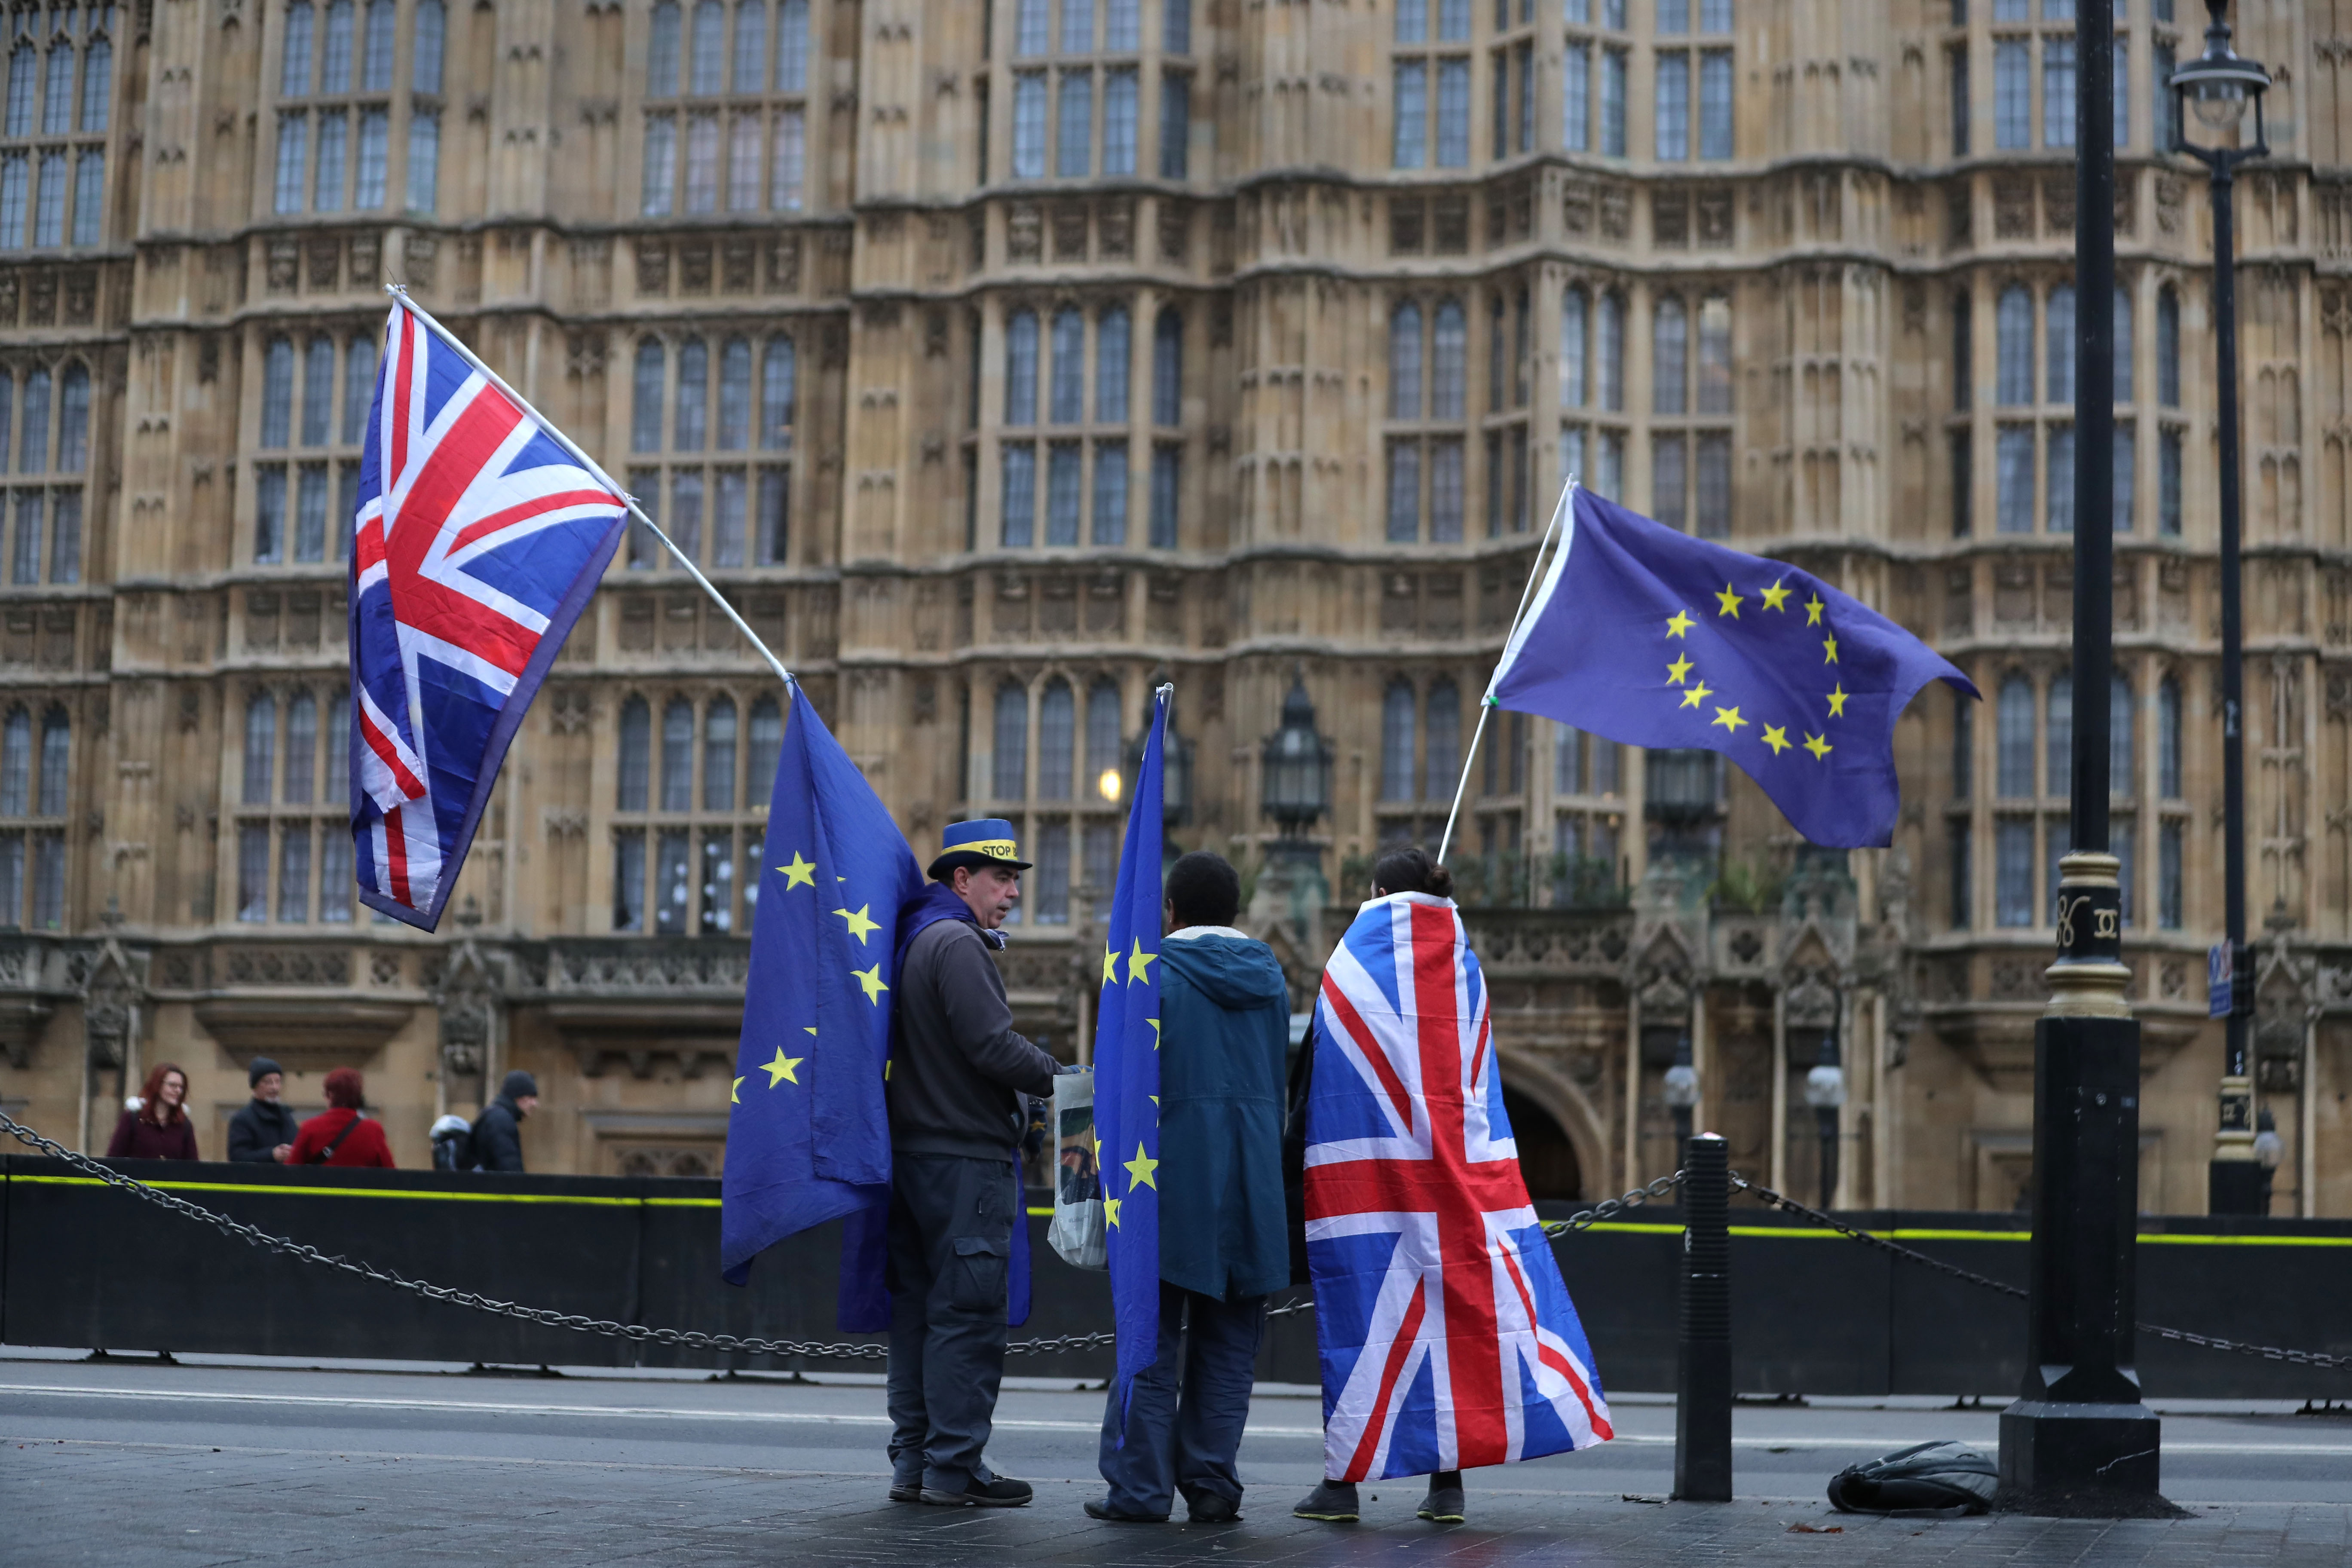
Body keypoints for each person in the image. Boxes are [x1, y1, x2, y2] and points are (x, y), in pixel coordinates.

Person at [1088, 851, 1292, 1525]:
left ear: (1169, 912)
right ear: (1236, 911)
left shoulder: (1152, 978)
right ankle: (1211, 1485)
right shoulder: (1273, 979)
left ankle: (1140, 1491)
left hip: (1168, 1183)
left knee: (1149, 1342)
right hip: (1253, 1186)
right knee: (1230, 1346)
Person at [884, 818, 1062, 1509]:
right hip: (964, 1165)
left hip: (914, 1159)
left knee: (919, 1317)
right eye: (1002, 878)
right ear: (961, 880)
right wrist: (1063, 1076)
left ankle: (914, 1464)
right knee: (965, 1317)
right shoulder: (956, 942)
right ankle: (953, 1470)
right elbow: (992, 1047)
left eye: (1015, 879)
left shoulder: (914, 939)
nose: (1013, 892)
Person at [1293, 846, 1468, 1527]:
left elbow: (1321, 1069)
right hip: (1448, 1178)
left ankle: (1342, 1483)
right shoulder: (1460, 966)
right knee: (1446, 1327)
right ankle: (1447, 1485)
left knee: (1362, 1322)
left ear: (1380, 896)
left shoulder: (1355, 965)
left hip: (1367, 1182)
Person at [286, 1068, 397, 1167]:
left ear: (330, 1095)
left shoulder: (310, 1128)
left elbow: (290, 1172)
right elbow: (390, 1174)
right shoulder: (374, 1130)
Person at [106, 1062, 199, 1160]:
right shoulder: (132, 1118)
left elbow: (193, 1166)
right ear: (157, 1085)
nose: (178, 1091)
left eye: (181, 1087)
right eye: (173, 1085)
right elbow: (113, 1159)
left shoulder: (184, 1124)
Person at [226, 1057, 300, 1164]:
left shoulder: (287, 1118)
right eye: (268, 1082)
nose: (275, 1087)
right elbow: (238, 1158)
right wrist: (272, 1155)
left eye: (278, 1082)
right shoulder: (242, 1120)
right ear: (255, 1086)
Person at [470, 1070, 538, 1172]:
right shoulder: (501, 1121)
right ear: (518, 1097)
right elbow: (509, 1167)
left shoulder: (496, 1116)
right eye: (531, 1097)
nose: (535, 1104)